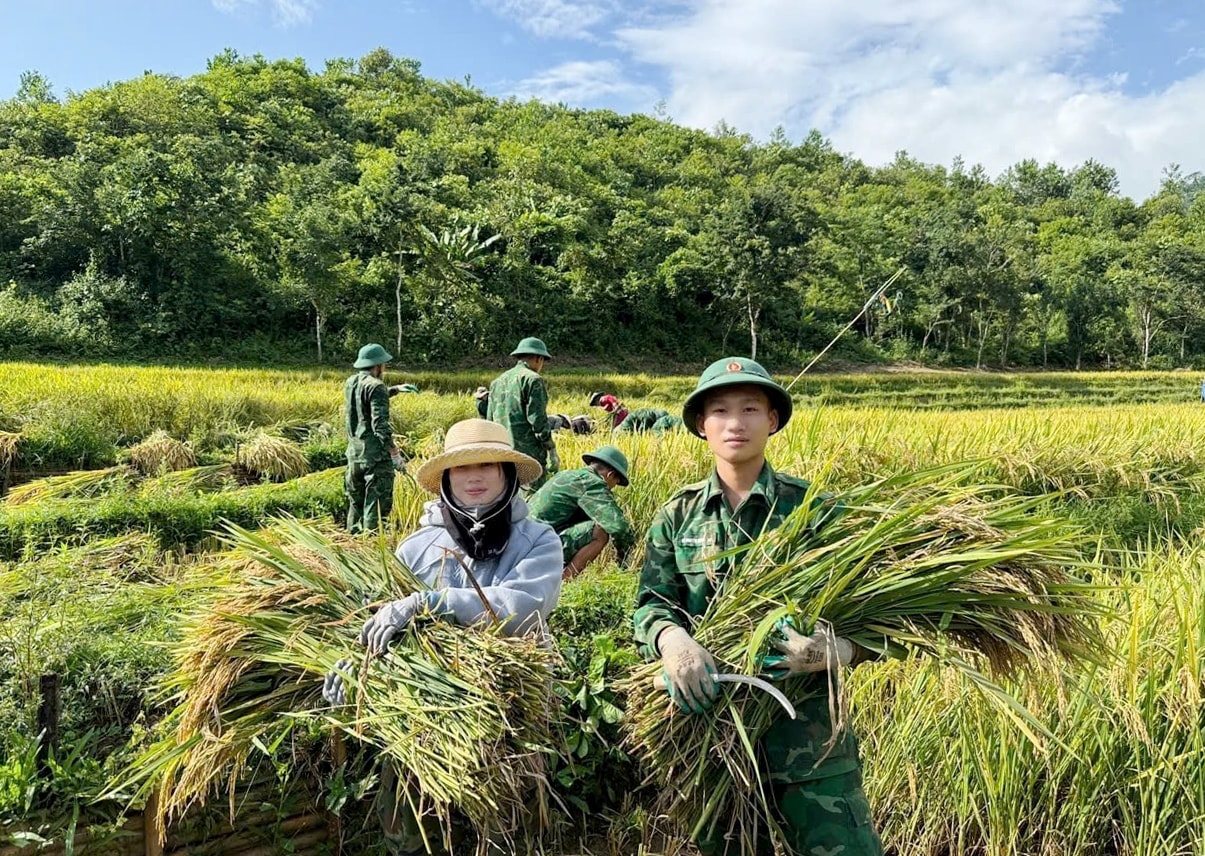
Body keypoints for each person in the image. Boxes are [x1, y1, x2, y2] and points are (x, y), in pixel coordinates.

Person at [632, 357, 883, 856]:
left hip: (811, 748)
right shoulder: (677, 515)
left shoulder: (816, 510)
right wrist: (673, 640)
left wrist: (839, 651)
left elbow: (883, 616)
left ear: (772, 420)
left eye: (750, 408)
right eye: (720, 410)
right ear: (701, 426)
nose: (735, 423)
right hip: (711, 740)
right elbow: (651, 605)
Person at [323, 418, 563, 855]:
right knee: (408, 819)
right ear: (446, 478)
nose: (474, 476)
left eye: (488, 464)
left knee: (504, 823)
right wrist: (353, 660)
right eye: (461, 467)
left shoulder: (537, 539)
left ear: (508, 474)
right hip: (422, 710)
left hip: (510, 708)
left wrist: (428, 603)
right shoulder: (413, 548)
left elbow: (523, 607)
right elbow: (377, 618)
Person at [528, 445, 636, 579]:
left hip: (525, 543)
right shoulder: (592, 483)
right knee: (600, 531)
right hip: (536, 548)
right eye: (615, 482)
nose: (612, 488)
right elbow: (618, 527)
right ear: (610, 475)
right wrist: (624, 558)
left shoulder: (567, 474)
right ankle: (564, 581)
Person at [344, 343, 405, 533]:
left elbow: (364, 400)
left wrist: (395, 389)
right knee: (376, 505)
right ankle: (372, 548)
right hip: (375, 457)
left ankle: (352, 544)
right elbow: (380, 425)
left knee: (356, 503)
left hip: (355, 455)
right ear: (378, 365)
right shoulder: (376, 385)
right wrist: (394, 453)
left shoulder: (351, 382)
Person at [486, 337, 558, 490]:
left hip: (502, 455)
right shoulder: (533, 380)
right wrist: (551, 448)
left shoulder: (497, 382)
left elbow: (489, 421)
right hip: (528, 457)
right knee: (531, 503)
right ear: (538, 359)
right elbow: (538, 421)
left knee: (506, 500)